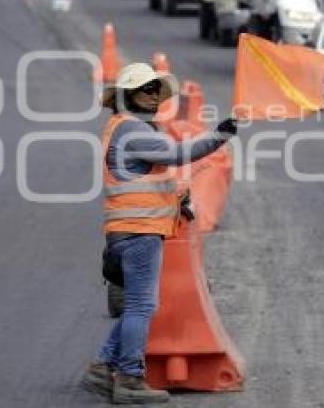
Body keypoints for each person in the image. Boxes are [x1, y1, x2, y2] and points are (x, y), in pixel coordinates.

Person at [81, 63, 238, 404]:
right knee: (141, 306)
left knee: (142, 304)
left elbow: (150, 179)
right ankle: (129, 379)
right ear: (126, 97)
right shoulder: (132, 131)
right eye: (146, 89)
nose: (154, 95)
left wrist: (176, 200)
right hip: (139, 232)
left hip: (131, 230)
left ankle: (103, 366)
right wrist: (219, 135)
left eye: (156, 89)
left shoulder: (123, 129)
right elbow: (178, 153)